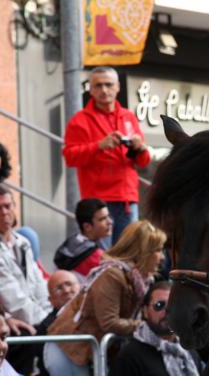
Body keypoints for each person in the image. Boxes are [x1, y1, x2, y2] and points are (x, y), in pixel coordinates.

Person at [46, 220, 166, 376]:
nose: (162, 257)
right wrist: (145, 326)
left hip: (89, 353)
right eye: (158, 250)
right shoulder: (113, 275)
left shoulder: (140, 279)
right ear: (143, 251)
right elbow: (109, 322)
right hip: (67, 349)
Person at [63, 67, 150, 246]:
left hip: (127, 199)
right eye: (98, 85)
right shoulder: (79, 120)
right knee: (102, 256)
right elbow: (70, 157)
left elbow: (144, 161)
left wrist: (140, 148)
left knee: (128, 254)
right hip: (97, 201)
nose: (104, 90)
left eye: (109, 85)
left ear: (117, 87)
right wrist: (99, 146)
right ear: (90, 89)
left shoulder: (129, 117)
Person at [0, 183, 51, 325]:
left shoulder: (22, 241)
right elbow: (11, 298)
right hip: (9, 322)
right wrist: (46, 322)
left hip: (37, 316)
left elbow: (39, 285)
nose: (4, 212)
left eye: (7, 206)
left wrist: (50, 314)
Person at [54, 198, 113, 282]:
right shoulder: (97, 258)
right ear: (87, 227)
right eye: (102, 219)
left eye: (108, 216)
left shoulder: (67, 245)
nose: (110, 222)